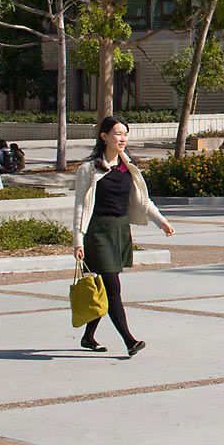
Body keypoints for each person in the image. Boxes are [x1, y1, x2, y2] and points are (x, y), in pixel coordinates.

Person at [73, 116, 175, 355]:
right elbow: (80, 205)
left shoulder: (128, 168)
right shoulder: (89, 169)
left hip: (120, 230)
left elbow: (143, 200)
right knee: (112, 287)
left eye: (125, 134)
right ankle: (129, 341)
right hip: (97, 232)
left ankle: (88, 336)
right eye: (117, 133)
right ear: (104, 136)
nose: (122, 138)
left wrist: (162, 221)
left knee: (105, 286)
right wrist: (78, 239)